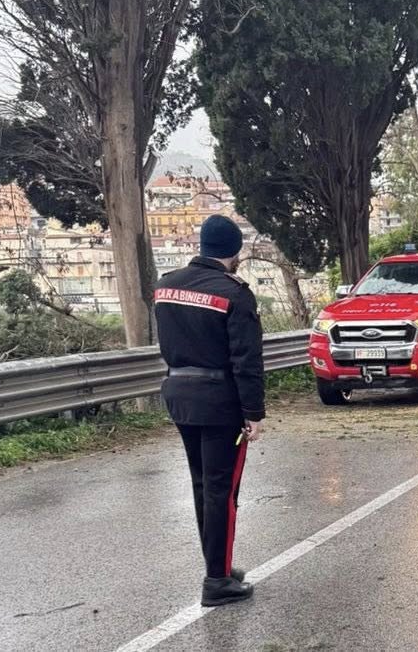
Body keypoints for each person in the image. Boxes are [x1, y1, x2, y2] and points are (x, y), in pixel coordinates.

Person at [155, 214, 264, 608]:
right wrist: (254, 412)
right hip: (220, 402)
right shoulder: (234, 293)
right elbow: (246, 360)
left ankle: (217, 566)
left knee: (203, 486)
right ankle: (217, 581)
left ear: (203, 246)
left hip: (180, 394)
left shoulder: (166, 286)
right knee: (223, 490)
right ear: (233, 251)